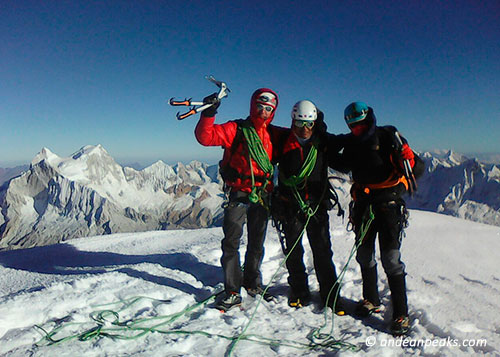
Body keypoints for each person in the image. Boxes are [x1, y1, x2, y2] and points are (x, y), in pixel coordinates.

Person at [334, 101, 424, 335]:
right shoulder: (352, 144)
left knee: (391, 259)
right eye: (355, 126)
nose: (359, 129)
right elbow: (343, 164)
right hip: (364, 205)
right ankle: (371, 299)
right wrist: (325, 150)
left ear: (369, 119)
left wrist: (410, 158)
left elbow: (417, 169)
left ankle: (401, 313)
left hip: (388, 205)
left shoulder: (388, 137)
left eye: (362, 124)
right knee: (364, 255)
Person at [194, 88, 278, 311]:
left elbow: (300, 140)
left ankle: (253, 282)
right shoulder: (237, 129)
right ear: (253, 106)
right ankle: (232, 289)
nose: (264, 112)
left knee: (256, 242)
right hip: (239, 193)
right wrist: (209, 113)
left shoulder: (274, 134)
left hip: (261, 194)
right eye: (260, 106)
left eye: (269, 108)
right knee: (232, 242)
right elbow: (206, 136)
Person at [270, 100, 345, 314]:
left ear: (314, 124)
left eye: (309, 125)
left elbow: (344, 158)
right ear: (292, 121)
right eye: (300, 124)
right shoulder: (283, 141)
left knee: (322, 251)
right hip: (289, 206)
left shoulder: (322, 142)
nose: (304, 130)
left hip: (316, 205)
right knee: (293, 251)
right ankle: (299, 290)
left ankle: (330, 294)